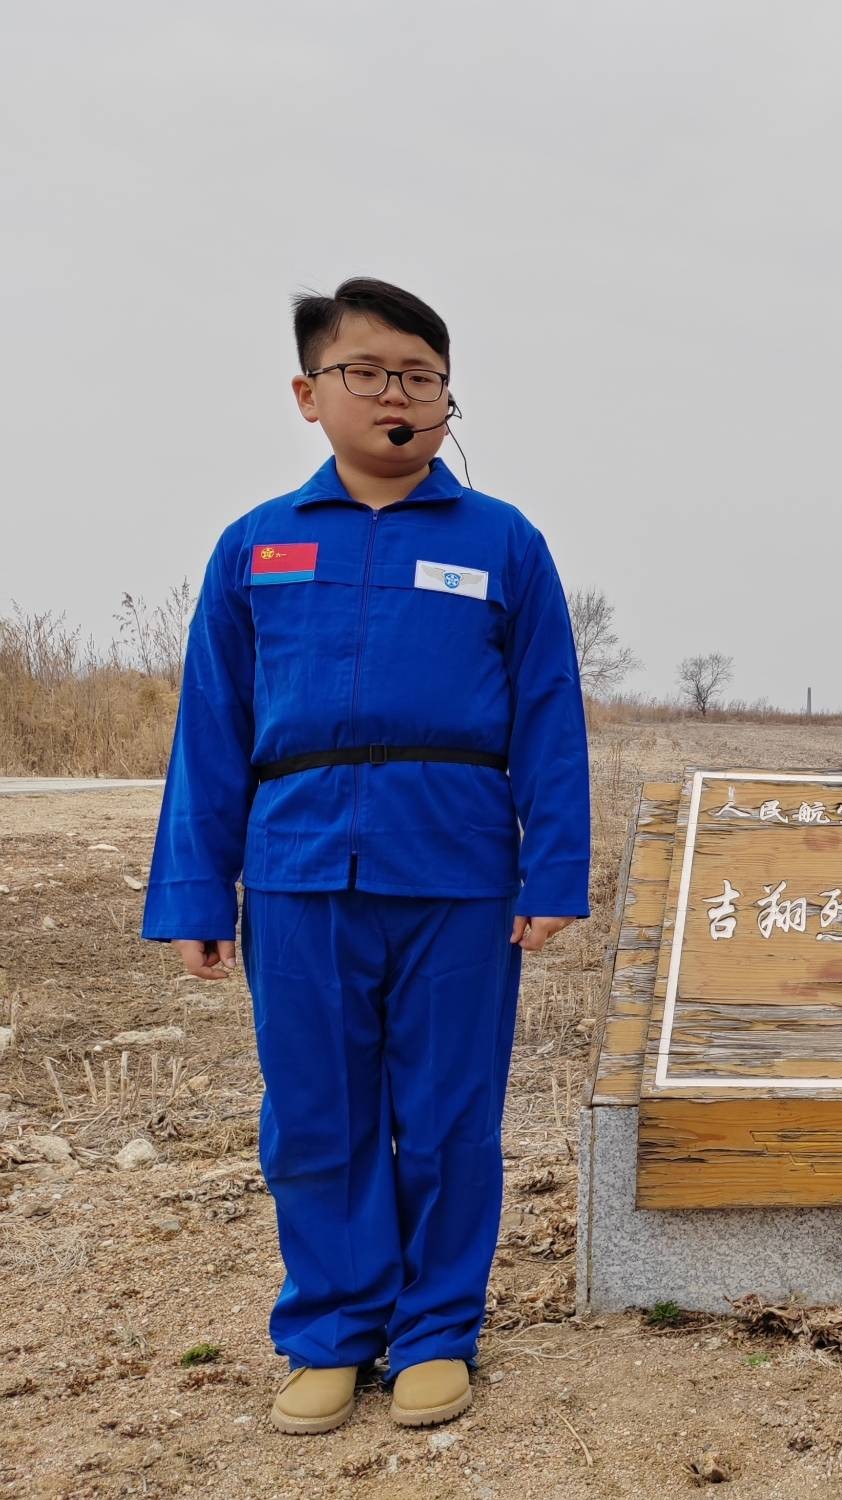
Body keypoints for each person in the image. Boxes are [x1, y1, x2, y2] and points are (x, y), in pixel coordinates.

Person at [140, 278, 591, 1435]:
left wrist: (551, 873)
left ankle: (437, 1330)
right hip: (296, 872)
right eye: (371, 373)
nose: (398, 395)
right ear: (310, 393)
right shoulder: (258, 546)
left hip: (457, 872)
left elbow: (546, 711)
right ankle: (332, 1330)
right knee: (316, 1115)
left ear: (447, 396)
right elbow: (210, 728)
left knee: (446, 1112)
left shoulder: (503, 543)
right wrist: (198, 886)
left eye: (422, 377)